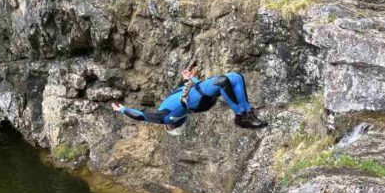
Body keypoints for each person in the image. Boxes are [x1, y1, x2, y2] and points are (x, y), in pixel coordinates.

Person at [111, 69, 268, 135]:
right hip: (198, 100)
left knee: (235, 77)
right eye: (171, 126)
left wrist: (189, 78)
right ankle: (241, 115)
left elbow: (184, 90)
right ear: (170, 125)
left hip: (197, 91)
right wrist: (122, 109)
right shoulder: (164, 117)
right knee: (222, 82)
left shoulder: (167, 106)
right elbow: (141, 116)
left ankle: (247, 112)